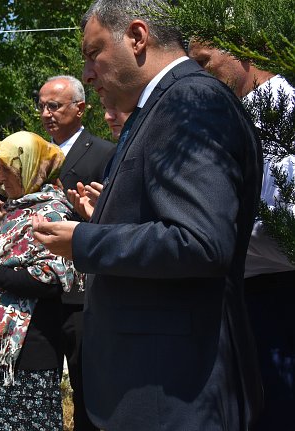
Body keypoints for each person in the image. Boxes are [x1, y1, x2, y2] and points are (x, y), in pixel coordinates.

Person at [32, 1, 263, 429]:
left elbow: (200, 241)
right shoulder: (161, 105)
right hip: (156, 388)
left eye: (92, 53)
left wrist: (84, 241)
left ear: (137, 37)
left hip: (176, 392)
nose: (86, 73)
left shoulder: (191, 100)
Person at [189, 39, 295, 430]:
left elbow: (285, 229)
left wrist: (208, 235)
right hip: (239, 298)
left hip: (278, 297)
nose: (197, 75)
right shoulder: (229, 116)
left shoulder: (282, 111)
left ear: (243, 51)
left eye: (204, 62)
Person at [0, 131, 78, 431]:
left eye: (4, 166)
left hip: (27, 353)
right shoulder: (15, 210)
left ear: (28, 168)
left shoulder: (52, 212)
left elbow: (49, 279)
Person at [38, 75, 114, 431]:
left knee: (86, 386)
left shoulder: (103, 153)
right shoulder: (34, 155)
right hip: (38, 288)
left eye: (54, 105)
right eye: (41, 106)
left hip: (81, 292)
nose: (46, 113)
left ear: (80, 109)